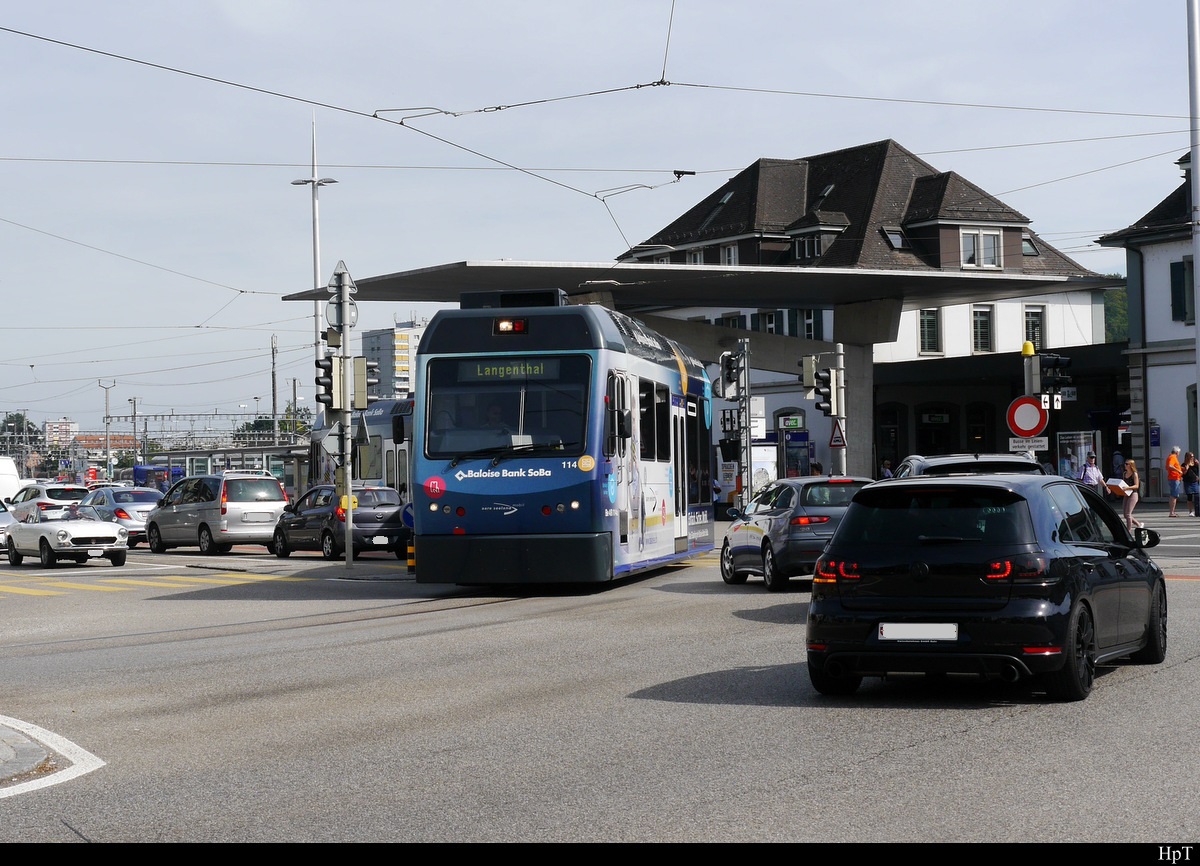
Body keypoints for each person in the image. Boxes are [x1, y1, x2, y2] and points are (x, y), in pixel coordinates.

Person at [1122, 458, 1143, 531]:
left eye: (1127, 464)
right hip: (1126, 494)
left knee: (1128, 514)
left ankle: (1128, 531)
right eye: (1125, 464)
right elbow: (1123, 483)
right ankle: (1138, 524)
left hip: (1133, 494)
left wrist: (1127, 488)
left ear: (1131, 465)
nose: (1125, 465)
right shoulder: (1124, 474)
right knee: (1125, 514)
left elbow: (1136, 486)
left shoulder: (1134, 474)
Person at [1167, 445, 1184, 517]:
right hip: (1174, 478)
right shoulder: (1173, 457)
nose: (1179, 454)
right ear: (1177, 452)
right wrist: (1178, 471)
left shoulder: (1171, 457)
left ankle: (1172, 511)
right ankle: (1172, 512)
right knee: (1174, 496)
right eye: (1179, 452)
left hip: (1174, 478)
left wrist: (1181, 469)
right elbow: (1170, 466)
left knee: (1173, 495)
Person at [1184, 452, 1200, 518]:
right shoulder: (1184, 464)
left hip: (1195, 482)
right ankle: (1190, 511)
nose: (1192, 457)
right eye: (1191, 456)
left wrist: (1198, 464)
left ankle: (1197, 511)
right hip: (1188, 482)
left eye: (1193, 456)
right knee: (1189, 497)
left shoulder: (1195, 464)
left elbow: (1197, 472)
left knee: (1197, 496)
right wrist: (1186, 468)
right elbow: (1183, 474)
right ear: (1187, 457)